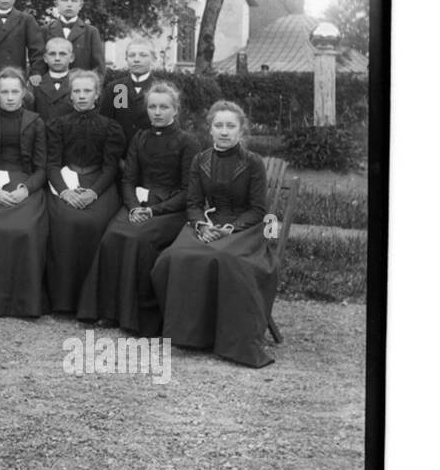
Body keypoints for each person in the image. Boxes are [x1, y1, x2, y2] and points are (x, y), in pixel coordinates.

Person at [151, 101, 277, 368]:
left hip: (245, 228)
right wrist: (201, 225)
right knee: (175, 255)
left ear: (241, 131)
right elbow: (194, 203)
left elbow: (257, 209)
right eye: (218, 125)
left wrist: (230, 229)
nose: (224, 131)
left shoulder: (253, 163)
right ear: (210, 130)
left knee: (225, 257)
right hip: (208, 224)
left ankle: (228, 339)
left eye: (230, 126)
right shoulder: (200, 160)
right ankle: (190, 334)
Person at [77, 82, 199, 333]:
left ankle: (137, 318)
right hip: (138, 205)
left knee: (138, 239)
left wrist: (154, 211)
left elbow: (189, 190)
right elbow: (129, 179)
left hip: (171, 210)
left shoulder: (188, 142)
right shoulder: (140, 138)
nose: (157, 112)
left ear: (175, 110)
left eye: (164, 107)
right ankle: (109, 311)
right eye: (153, 107)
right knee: (112, 236)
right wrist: (133, 207)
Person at [44, 69, 126, 314]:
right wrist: (65, 192)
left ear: (97, 94)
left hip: (99, 183)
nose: (81, 96)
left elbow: (111, 167)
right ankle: (62, 300)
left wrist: (92, 193)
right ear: (70, 96)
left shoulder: (110, 127)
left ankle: (92, 300)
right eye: (77, 91)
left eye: (87, 91)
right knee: (65, 220)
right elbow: (52, 164)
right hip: (66, 181)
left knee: (94, 221)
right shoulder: (58, 125)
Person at [0, 67, 50, 318]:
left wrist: (25, 190)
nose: (9, 97)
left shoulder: (36, 121)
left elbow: (41, 168)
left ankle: (25, 302)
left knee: (25, 229)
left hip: (25, 183)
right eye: (4, 92)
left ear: (24, 93)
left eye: (14, 92)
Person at [38, 0, 105, 74]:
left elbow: (98, 68)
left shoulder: (91, 32)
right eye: (65, 0)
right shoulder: (45, 31)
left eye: (74, 1)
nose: (69, 4)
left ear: (80, 5)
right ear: (56, 4)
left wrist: (91, 86)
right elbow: (39, 65)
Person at [101, 37, 158, 141]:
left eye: (143, 55)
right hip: (118, 152)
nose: (136, 59)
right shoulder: (116, 88)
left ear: (153, 59)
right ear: (126, 59)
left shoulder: (160, 89)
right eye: (132, 55)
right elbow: (105, 122)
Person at [32, 37, 76, 123]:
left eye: (62, 54)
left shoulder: (78, 82)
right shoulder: (36, 84)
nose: (57, 58)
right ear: (45, 58)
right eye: (52, 54)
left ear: (71, 58)